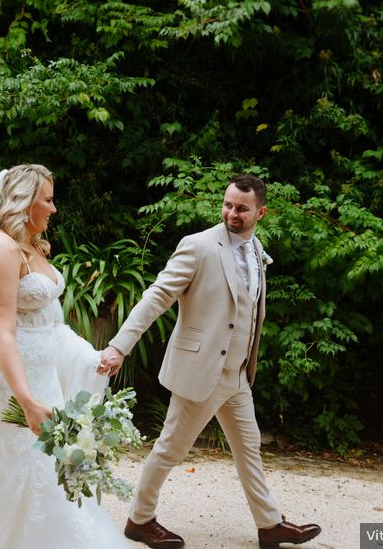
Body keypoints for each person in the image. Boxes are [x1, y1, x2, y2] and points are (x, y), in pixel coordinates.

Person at [100, 174, 322, 548]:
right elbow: (157, 297)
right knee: (171, 448)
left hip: (236, 375)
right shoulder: (199, 246)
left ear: (261, 212)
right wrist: (120, 346)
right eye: (228, 205)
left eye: (241, 208)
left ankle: (269, 524)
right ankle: (139, 519)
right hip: (201, 371)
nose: (232, 213)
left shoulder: (256, 248)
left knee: (248, 448)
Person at [0, 164, 130, 549]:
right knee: (1, 471)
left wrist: (90, 357)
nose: (53, 209)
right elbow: (3, 331)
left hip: (39, 374)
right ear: (22, 202)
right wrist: (27, 400)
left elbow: (48, 324)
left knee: (44, 467)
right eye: (47, 200)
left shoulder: (30, 246)